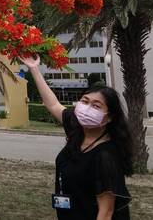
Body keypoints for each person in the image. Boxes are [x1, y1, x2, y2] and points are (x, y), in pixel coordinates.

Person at [24, 55, 133, 220]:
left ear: (109, 117)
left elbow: (106, 212)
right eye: (85, 101)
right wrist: (34, 68)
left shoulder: (105, 156)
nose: (87, 108)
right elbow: (53, 104)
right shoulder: (78, 129)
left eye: (96, 106)